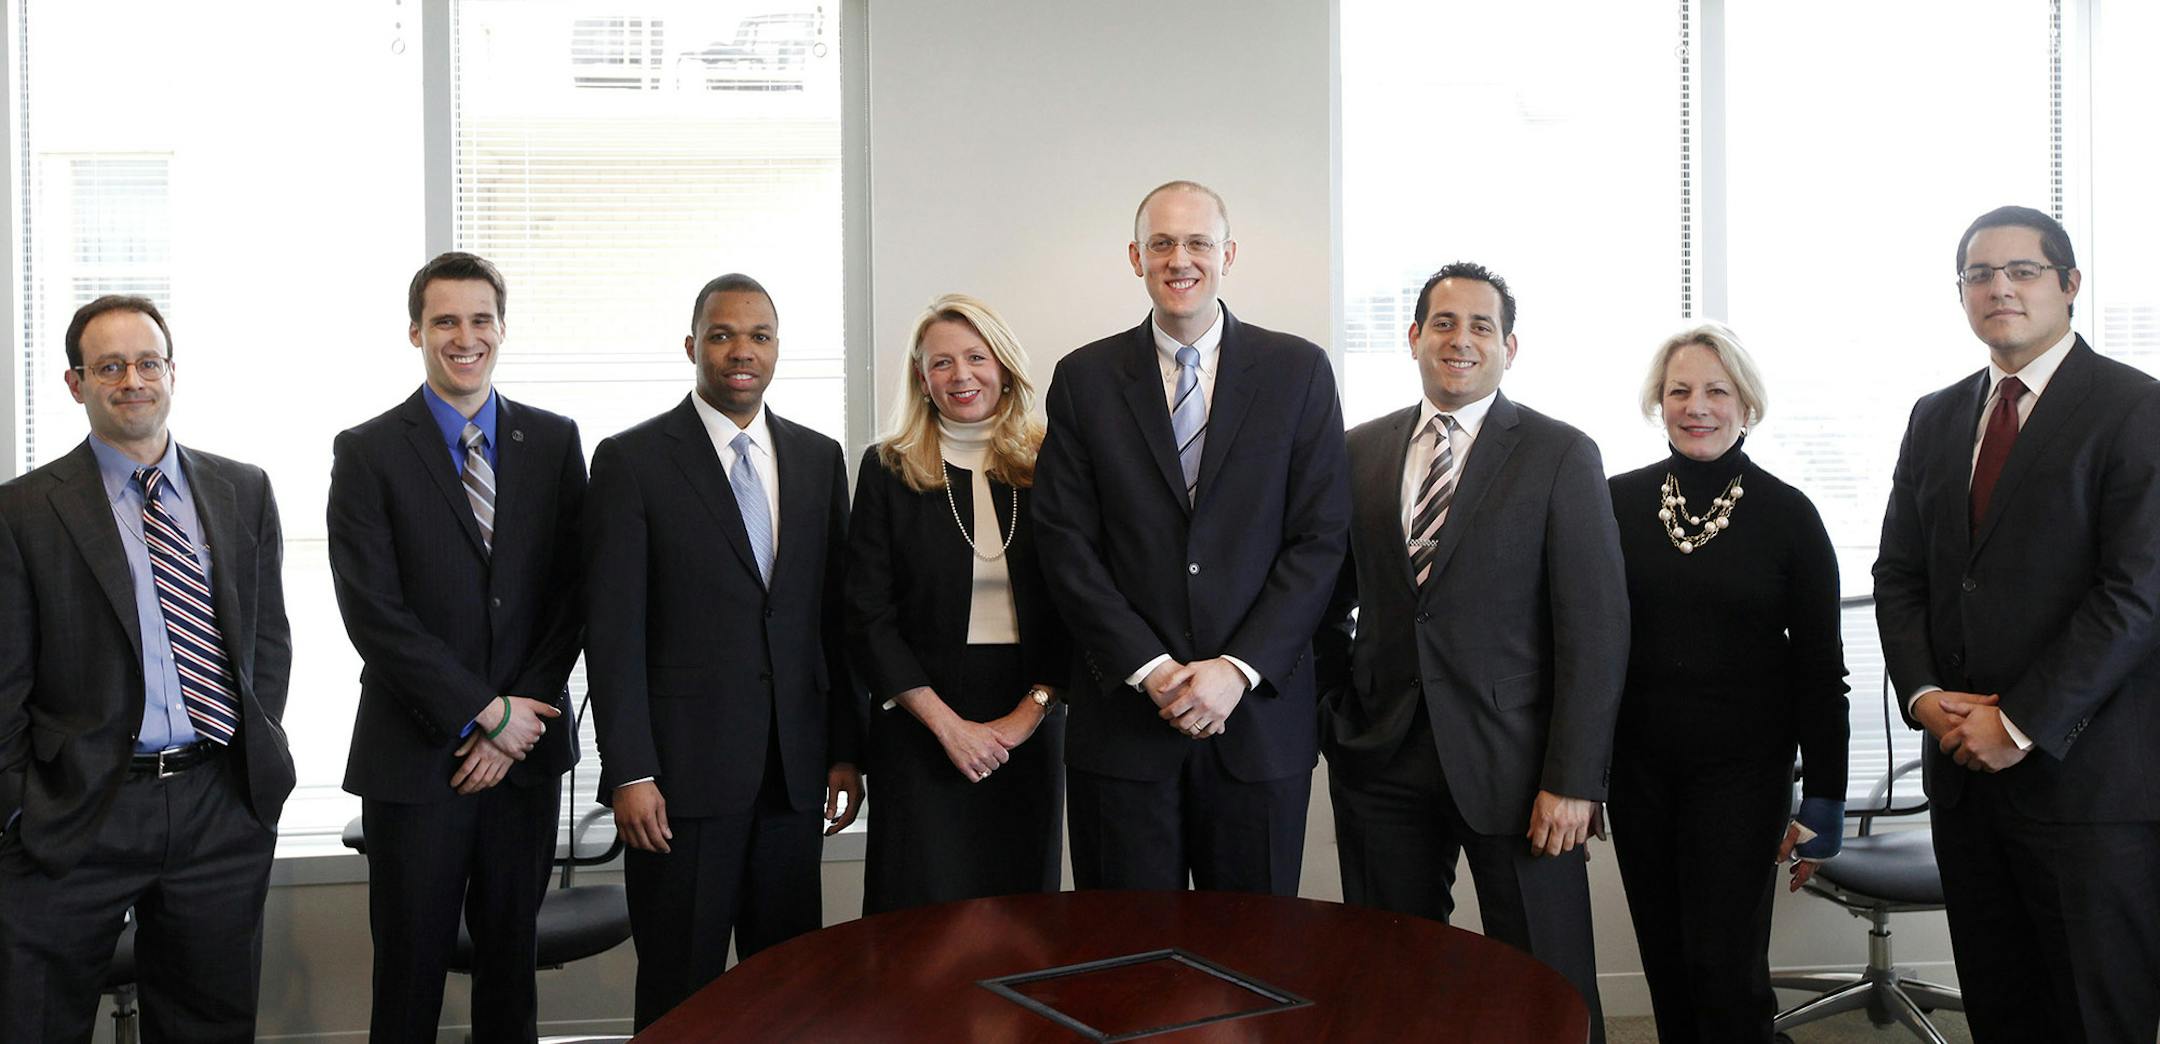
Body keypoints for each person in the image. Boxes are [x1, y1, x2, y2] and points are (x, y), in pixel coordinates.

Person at [1314, 262, 1625, 1037]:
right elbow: (1321, 602)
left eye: (1481, 326)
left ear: (1508, 347)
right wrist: (1335, 715)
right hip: (1382, 760)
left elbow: (1595, 628)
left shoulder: (1560, 454)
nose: (1461, 340)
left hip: (1518, 769)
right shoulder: (1356, 451)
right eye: (1444, 323)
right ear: (1414, 337)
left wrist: (1574, 779)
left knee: (1549, 984)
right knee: (1393, 981)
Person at [1874, 205, 2160, 1042]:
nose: (1999, 287)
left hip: (2089, 784)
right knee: (2001, 1014)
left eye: (2023, 271)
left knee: (2094, 1018)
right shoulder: (1935, 415)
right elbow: (1901, 575)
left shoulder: (2135, 408)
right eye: (1979, 274)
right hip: (1965, 778)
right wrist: (1925, 696)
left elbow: (2136, 592)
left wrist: (2020, 722)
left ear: (2070, 285)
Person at [1033, 180, 1349, 895]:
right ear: (1135, 257)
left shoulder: (1298, 371)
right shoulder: (1084, 378)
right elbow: (1065, 544)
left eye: (1199, 242)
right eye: (1162, 243)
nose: (1181, 259)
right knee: (1127, 949)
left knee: (1254, 948)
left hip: (1257, 722)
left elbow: (1321, 539)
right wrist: (1151, 669)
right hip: (1124, 722)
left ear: (1228, 255)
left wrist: (1235, 669)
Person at [0, 295, 295, 1042]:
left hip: (216, 803)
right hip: (77, 810)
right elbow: (4, 683)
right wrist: (19, 808)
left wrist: (254, 765)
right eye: (109, 367)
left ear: (171, 372)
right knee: (36, 1023)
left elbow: (267, 644)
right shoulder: (22, 511)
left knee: (210, 1027)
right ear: (76, 384)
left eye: (147, 363)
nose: (132, 380)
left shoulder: (243, 488)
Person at [584, 273, 863, 1029]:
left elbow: (834, 619)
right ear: (692, 346)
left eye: (759, 336)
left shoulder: (818, 458)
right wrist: (630, 771)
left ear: (777, 348)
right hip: (680, 785)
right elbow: (611, 633)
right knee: (681, 995)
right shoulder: (632, 460)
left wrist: (845, 749)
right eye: (723, 335)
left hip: (793, 778)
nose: (742, 351)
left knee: (790, 993)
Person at [326, 252, 587, 1043]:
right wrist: (484, 712)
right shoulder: (368, 451)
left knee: (511, 975)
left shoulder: (554, 440)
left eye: (480, 319)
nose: (463, 337)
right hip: (415, 758)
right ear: (416, 331)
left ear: (502, 328)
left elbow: (572, 594)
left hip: (525, 763)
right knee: (410, 979)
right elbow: (374, 613)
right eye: (445, 320)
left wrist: (516, 722)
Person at [1605, 323, 1848, 1043]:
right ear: (1659, 402)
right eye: (1680, 390)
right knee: (1667, 960)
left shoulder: (1789, 516)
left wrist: (1826, 797)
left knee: (1725, 968)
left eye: (1717, 390)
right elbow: (1582, 647)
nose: (1697, 406)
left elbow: (1821, 669)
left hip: (1742, 775)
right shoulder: (1612, 503)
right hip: (1638, 773)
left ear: (1746, 403)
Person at [846, 293, 1070, 914]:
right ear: (922, 379)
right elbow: (866, 614)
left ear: (1005, 367)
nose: (960, 375)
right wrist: (947, 727)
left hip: (1029, 714)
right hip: (919, 720)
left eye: (976, 357)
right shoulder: (887, 468)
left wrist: (1027, 715)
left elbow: (1076, 601)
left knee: (1022, 916)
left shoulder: (1054, 462)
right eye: (940, 362)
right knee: (918, 916)